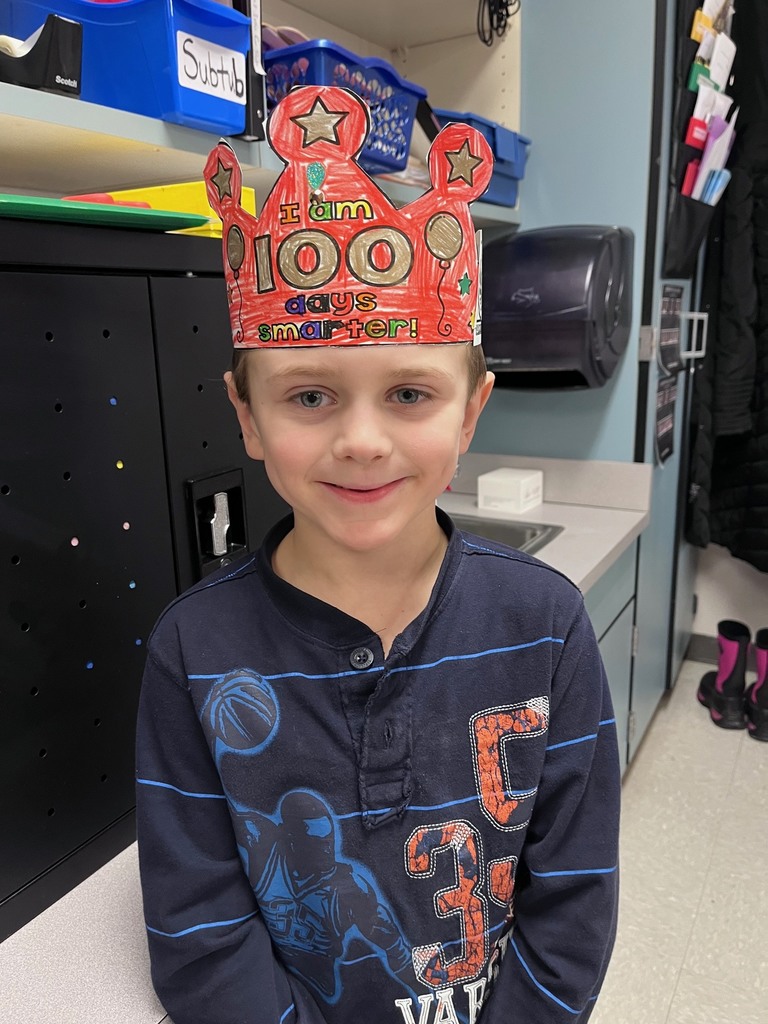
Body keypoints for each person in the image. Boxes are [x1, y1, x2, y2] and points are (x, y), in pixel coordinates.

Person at [136, 85, 620, 1024]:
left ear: (471, 412)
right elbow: (199, 928)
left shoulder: (547, 626)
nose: (361, 441)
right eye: (309, 396)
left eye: (409, 395)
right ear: (247, 416)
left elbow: (575, 894)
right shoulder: (191, 650)